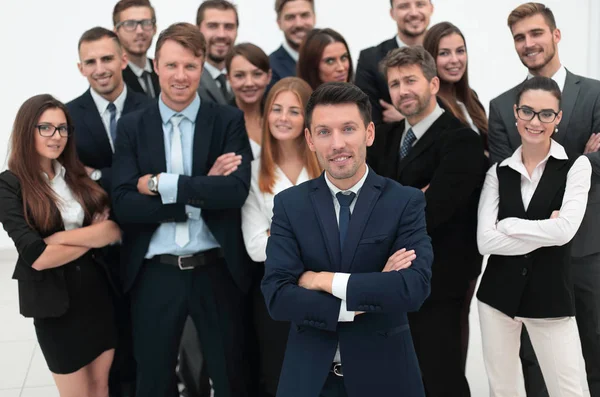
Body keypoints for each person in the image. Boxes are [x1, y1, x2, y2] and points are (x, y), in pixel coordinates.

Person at [261, 82, 434, 397]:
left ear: (369, 133)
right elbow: (277, 296)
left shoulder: (404, 202)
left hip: (386, 379)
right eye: (325, 132)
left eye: (348, 129)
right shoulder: (290, 204)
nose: (337, 143)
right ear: (311, 139)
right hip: (310, 380)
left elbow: (413, 288)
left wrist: (319, 280)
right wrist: (362, 297)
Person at [111, 23, 254, 396]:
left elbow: (235, 192)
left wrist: (162, 184)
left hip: (216, 270)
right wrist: (200, 190)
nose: (180, 76)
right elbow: (125, 204)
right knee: (155, 381)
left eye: (190, 66)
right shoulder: (130, 127)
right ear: (156, 65)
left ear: (202, 65)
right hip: (155, 275)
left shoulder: (227, 120)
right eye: (172, 65)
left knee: (229, 378)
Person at [488, 3, 600, 395]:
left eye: (535, 33)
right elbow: (507, 178)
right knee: (532, 360)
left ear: (555, 34)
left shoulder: (596, 93)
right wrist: (583, 156)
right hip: (528, 257)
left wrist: (575, 174)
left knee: (593, 350)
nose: (528, 43)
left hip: (586, 248)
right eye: (519, 37)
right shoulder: (502, 106)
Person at [368, 46, 487, 397]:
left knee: (441, 376)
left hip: (441, 281)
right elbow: (369, 201)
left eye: (410, 80)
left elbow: (434, 211)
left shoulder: (461, 140)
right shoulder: (387, 138)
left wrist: (398, 202)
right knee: (401, 378)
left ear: (434, 84)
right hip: (393, 278)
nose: (402, 90)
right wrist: (412, 197)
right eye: (394, 83)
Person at [0, 94, 122, 397]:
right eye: (46, 128)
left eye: (63, 128)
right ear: (27, 129)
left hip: (97, 295)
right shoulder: (9, 184)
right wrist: (91, 236)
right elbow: (38, 257)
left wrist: (60, 239)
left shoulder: (76, 175)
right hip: (55, 307)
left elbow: (113, 230)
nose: (57, 136)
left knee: (101, 387)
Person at [477, 76, 590, 397]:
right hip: (496, 299)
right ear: (515, 113)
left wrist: (510, 224)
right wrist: (546, 229)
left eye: (545, 114)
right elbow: (485, 242)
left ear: (558, 118)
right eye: (527, 111)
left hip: (551, 299)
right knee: (504, 390)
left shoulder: (576, 167)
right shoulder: (497, 172)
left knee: (570, 391)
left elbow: (566, 230)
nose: (535, 121)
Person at [67, 26, 148, 397]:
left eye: (107, 59)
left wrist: (98, 174)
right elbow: (69, 180)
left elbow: (159, 174)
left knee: (148, 344)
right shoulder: (67, 116)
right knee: (107, 348)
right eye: (91, 61)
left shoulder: (153, 107)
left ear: (123, 60)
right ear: (81, 67)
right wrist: (131, 179)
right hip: (97, 250)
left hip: (149, 242)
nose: (100, 68)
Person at [241, 77, 320, 397]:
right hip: (276, 294)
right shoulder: (253, 170)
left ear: (308, 119)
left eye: (294, 110)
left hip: (325, 290)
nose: (283, 117)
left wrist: (281, 234)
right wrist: (310, 237)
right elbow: (256, 247)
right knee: (278, 379)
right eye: (276, 109)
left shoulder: (328, 166)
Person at [421, 20, 489, 369]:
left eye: (459, 50)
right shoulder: (434, 109)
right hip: (448, 233)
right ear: (430, 59)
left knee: (461, 315)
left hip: (474, 229)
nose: (453, 59)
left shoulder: (470, 100)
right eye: (443, 52)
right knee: (447, 327)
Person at [355, 0, 434, 125]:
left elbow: (457, 110)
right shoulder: (370, 59)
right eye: (404, 6)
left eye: (420, 4)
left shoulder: (446, 55)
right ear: (392, 13)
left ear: (431, 8)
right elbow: (369, 123)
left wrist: (408, 119)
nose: (414, 13)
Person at [226, 43, 273, 159]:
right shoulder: (220, 123)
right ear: (228, 78)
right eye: (239, 75)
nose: (249, 83)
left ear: (269, 76)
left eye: (257, 74)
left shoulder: (280, 116)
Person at [113, 0, 160, 98]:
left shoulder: (163, 70)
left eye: (146, 23)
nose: (140, 31)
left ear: (155, 29)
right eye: (130, 24)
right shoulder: (112, 77)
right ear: (116, 32)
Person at [196, 0, 239, 104]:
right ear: (197, 30)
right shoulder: (187, 79)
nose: (221, 35)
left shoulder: (248, 79)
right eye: (212, 26)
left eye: (228, 27)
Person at [269, 0, 316, 88]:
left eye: (304, 15)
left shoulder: (328, 60)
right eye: (290, 17)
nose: (299, 24)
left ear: (314, 17)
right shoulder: (270, 68)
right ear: (279, 23)